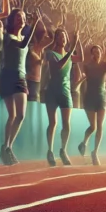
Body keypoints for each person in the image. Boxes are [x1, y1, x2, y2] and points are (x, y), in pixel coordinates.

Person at [0, 8, 38, 166]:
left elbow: (25, 49)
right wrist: (35, 24)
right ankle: (6, 148)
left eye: (23, 17)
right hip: (8, 76)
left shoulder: (23, 37)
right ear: (12, 20)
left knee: (20, 115)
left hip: (21, 77)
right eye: (17, 17)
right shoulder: (8, 37)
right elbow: (22, 45)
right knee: (12, 115)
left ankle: (7, 147)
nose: (21, 19)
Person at [77, 43, 106, 166]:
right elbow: (87, 72)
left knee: (100, 126)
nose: (97, 53)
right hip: (89, 98)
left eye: (99, 51)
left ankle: (95, 152)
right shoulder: (87, 66)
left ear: (101, 53)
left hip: (101, 98)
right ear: (92, 54)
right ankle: (84, 142)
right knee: (93, 127)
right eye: (94, 52)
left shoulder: (105, 65)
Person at [45, 28, 81, 167]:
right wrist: (72, 49)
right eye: (59, 36)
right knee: (53, 123)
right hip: (52, 91)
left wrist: (78, 42)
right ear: (56, 39)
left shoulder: (70, 54)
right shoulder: (50, 54)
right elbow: (58, 66)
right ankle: (50, 151)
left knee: (67, 124)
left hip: (66, 91)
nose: (62, 38)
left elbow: (81, 58)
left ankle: (63, 150)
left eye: (64, 36)